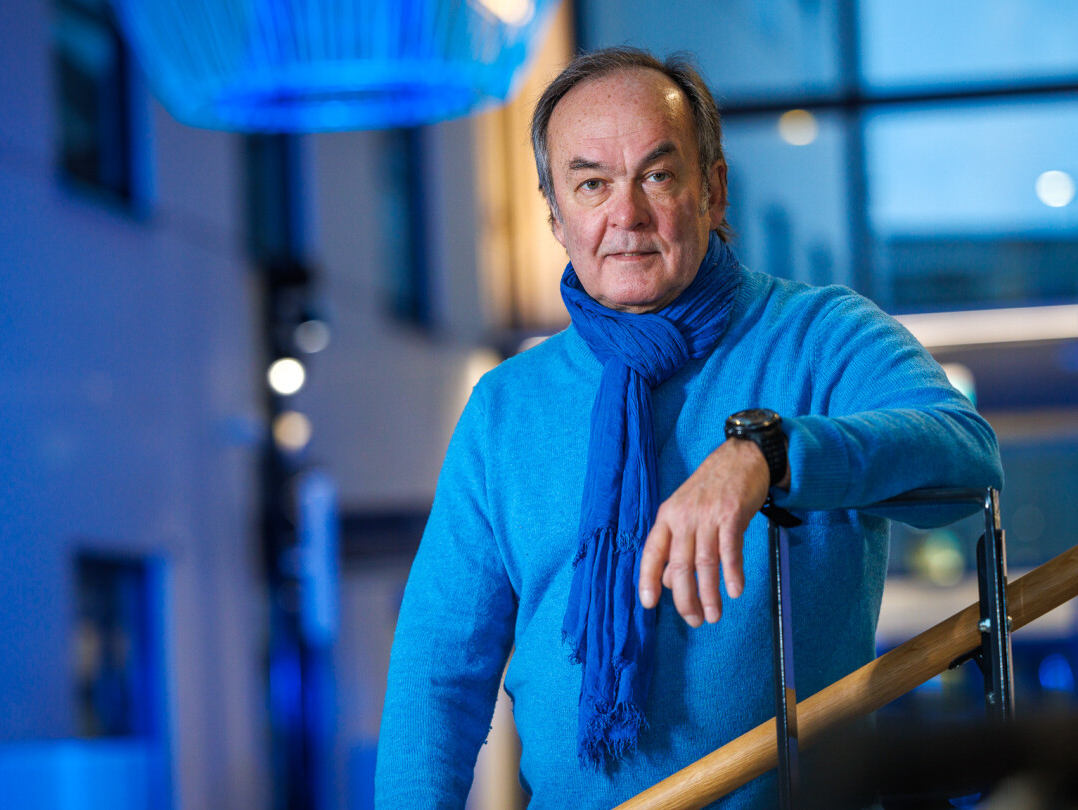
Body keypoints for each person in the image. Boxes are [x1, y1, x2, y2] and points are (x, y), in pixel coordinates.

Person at [375, 47, 1003, 809]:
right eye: (592, 184)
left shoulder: (822, 335)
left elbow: (968, 459)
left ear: (713, 189)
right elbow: (437, 677)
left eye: (657, 175)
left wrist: (770, 454)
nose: (626, 215)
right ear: (555, 214)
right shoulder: (504, 407)